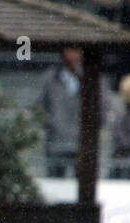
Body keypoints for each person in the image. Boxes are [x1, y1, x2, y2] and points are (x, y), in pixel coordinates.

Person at [38, 47, 85, 177]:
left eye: (75, 50)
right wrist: (52, 124)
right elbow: (39, 107)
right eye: (68, 49)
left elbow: (102, 109)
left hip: (83, 142)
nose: (72, 54)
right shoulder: (50, 78)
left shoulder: (92, 78)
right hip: (56, 141)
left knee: (85, 182)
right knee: (55, 184)